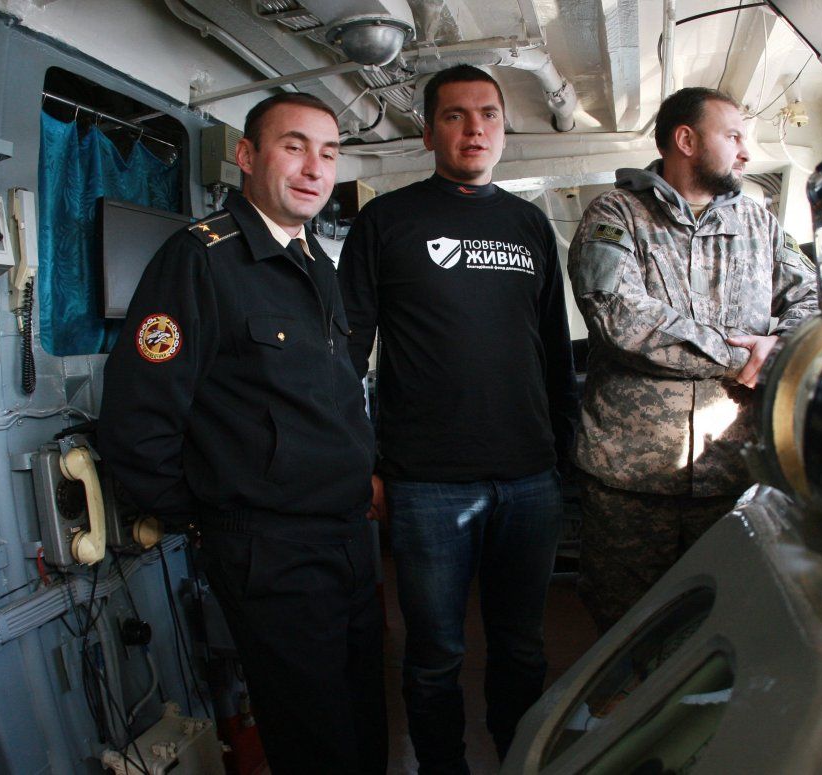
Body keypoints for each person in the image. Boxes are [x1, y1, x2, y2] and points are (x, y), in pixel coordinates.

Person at [98, 93, 386, 773]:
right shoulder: (200, 261)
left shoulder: (316, 262)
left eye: (328, 153)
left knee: (364, 723)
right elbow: (137, 423)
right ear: (247, 156)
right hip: (273, 548)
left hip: (348, 537)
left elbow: (331, 396)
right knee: (316, 741)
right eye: (294, 146)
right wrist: (215, 515)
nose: (314, 168)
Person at [338, 65, 576, 773]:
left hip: (529, 478)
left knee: (522, 647)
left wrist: (562, 456)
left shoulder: (529, 224)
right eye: (455, 115)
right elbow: (343, 355)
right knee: (435, 653)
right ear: (427, 132)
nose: (475, 129)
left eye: (488, 115)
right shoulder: (387, 221)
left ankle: (520, 758)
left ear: (503, 128)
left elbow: (553, 349)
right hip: (426, 483)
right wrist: (363, 464)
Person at [568, 86, 818, 633]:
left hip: (735, 473)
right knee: (626, 628)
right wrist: (742, 353)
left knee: (727, 623)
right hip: (630, 480)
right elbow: (619, 317)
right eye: (733, 136)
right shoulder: (615, 215)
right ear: (686, 140)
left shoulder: (759, 223)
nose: (746, 152)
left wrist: (779, 344)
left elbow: (812, 299)